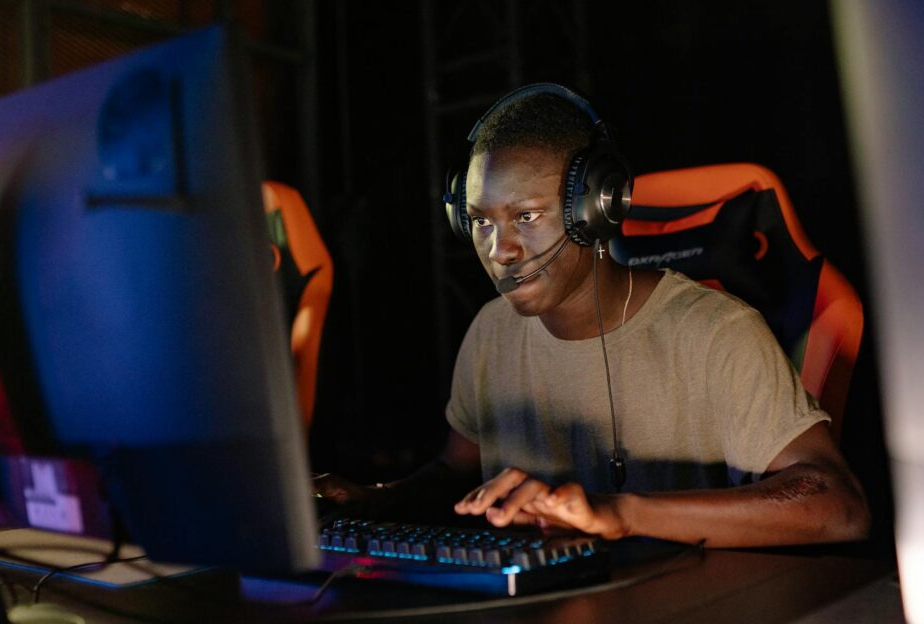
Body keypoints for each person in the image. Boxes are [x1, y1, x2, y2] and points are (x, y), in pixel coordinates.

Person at [315, 84, 869, 548]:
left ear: (595, 208)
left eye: (526, 216)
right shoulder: (491, 331)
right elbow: (457, 472)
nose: (500, 250)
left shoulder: (715, 332)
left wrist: (620, 513)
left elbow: (839, 505)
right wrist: (376, 498)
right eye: (481, 222)